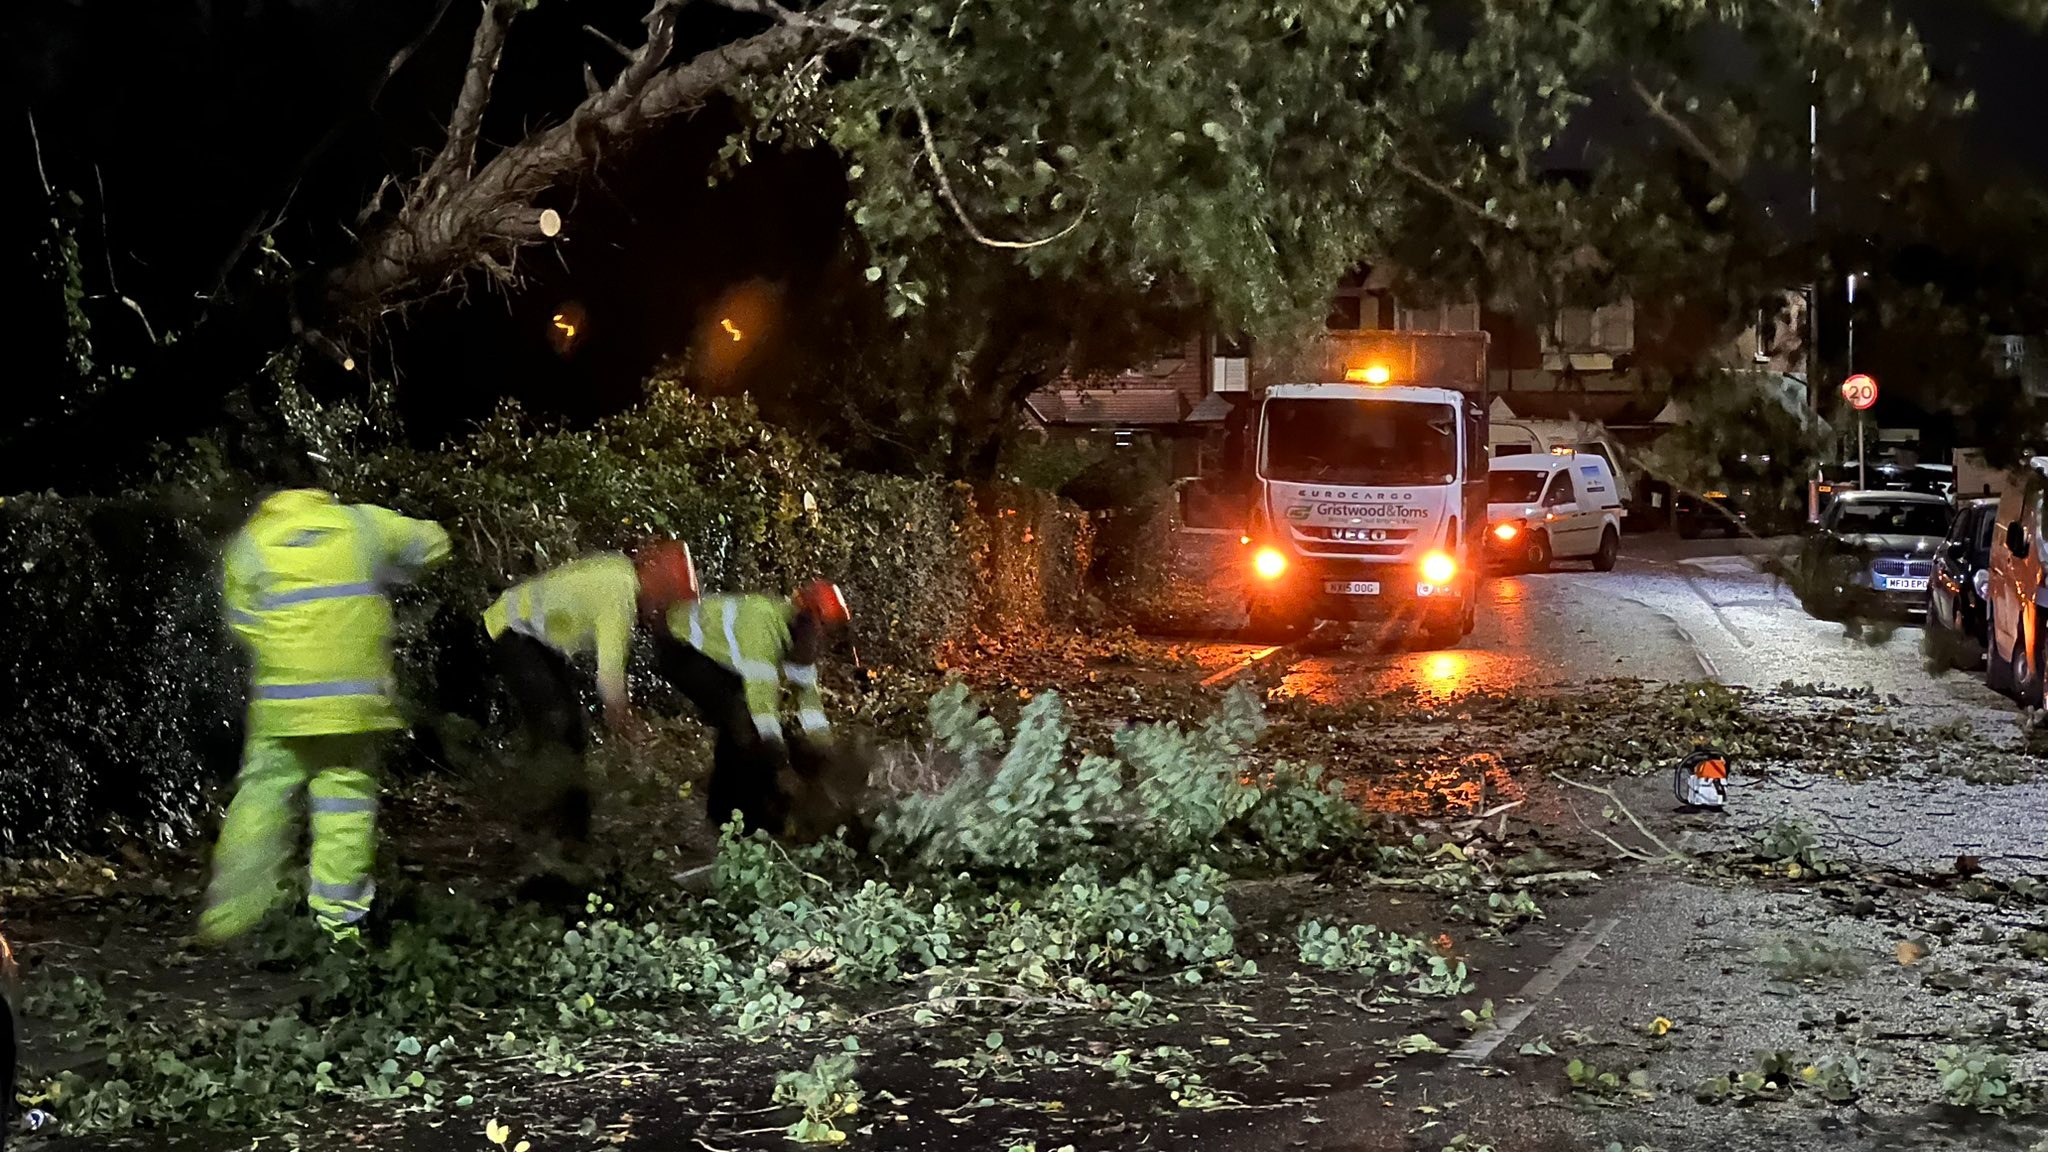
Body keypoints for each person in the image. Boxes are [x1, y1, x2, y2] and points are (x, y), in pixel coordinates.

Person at [200, 486, 450, 946]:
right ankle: (339, 925)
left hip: (282, 705)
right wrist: (393, 569)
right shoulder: (362, 525)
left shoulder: (251, 544)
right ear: (320, 495)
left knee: (261, 798)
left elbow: (241, 622)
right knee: (345, 807)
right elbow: (434, 543)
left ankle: (233, 917)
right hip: (353, 706)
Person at [482, 541, 699, 843]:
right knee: (559, 725)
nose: (658, 614)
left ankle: (558, 828)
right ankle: (557, 834)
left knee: (566, 732)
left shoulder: (620, 571)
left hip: (529, 633)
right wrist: (632, 733)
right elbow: (610, 683)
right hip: (514, 630)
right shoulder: (621, 594)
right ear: (655, 582)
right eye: (664, 603)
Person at [656, 581, 851, 835]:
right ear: (806, 618)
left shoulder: (799, 641)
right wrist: (781, 765)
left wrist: (826, 753)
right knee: (743, 723)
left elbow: (809, 706)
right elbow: (762, 707)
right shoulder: (762, 627)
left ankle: (748, 813)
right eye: (824, 630)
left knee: (749, 726)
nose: (824, 641)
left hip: (717, 659)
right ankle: (731, 820)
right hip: (680, 647)